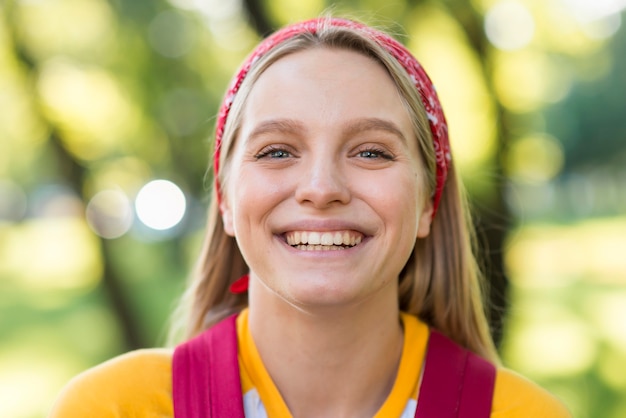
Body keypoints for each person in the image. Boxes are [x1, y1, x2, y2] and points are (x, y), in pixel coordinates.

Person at [49, 17, 571, 417]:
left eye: (371, 152)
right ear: (227, 201)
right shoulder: (115, 406)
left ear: (427, 203)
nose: (321, 189)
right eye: (277, 151)